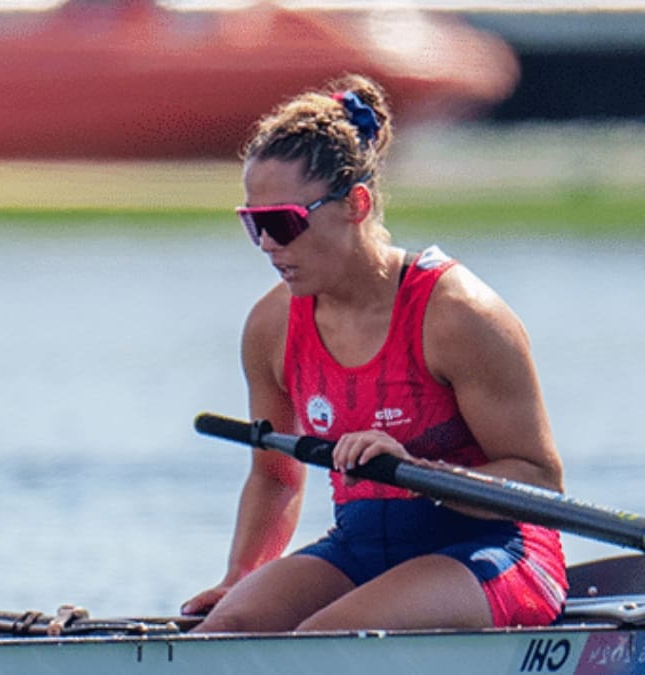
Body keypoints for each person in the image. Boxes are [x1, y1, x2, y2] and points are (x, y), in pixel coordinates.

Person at [181, 74, 567, 632]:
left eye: (282, 223)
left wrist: (418, 472)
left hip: (496, 550)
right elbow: (276, 477)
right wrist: (240, 576)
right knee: (220, 639)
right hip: (362, 544)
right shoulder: (270, 327)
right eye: (253, 225)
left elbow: (540, 480)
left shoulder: (460, 314)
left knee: (321, 643)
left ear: (356, 204)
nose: (267, 245)